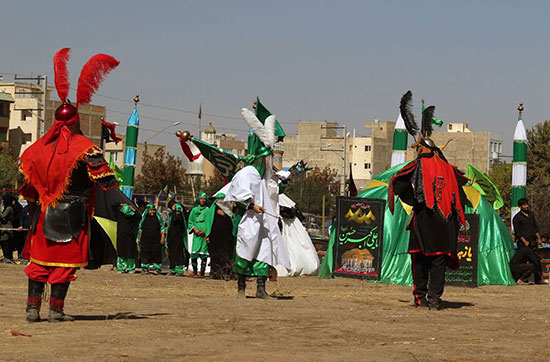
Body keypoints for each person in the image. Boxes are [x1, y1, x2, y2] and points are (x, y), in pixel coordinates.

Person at [18, 48, 119, 322]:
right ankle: (55, 310)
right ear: (75, 121)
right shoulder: (86, 149)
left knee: (39, 263)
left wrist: (41, 197)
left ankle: (32, 309)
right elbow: (107, 181)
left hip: (43, 214)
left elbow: (26, 185)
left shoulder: (36, 149)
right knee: (63, 266)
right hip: (73, 215)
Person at [388, 91, 467, 310]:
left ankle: (421, 297)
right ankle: (434, 300)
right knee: (438, 262)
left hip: (425, 220)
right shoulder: (450, 169)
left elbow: (399, 182)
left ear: (426, 150)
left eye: (419, 149)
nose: (418, 152)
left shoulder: (418, 165)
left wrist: (412, 201)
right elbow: (461, 195)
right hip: (447, 223)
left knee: (420, 260)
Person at [224, 107, 290, 298]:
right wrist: (252, 206)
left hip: (264, 223)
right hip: (250, 220)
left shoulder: (264, 176)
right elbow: (238, 196)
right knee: (246, 252)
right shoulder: (247, 174)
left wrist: (283, 181)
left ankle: (261, 290)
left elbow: (274, 191)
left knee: (265, 252)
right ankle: (241, 289)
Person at [205, 193, 236, 280]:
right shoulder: (212, 210)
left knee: (226, 255)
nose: (221, 201)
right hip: (214, 236)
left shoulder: (228, 210)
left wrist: (225, 215)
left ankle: (226, 273)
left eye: (222, 198)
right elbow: (209, 222)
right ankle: (215, 273)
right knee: (214, 255)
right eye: (219, 199)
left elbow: (232, 220)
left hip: (226, 237)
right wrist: (207, 234)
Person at [137, 203, 165, 274]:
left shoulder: (158, 218)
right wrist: (139, 238)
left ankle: (157, 268)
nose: (152, 212)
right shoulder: (143, 218)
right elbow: (140, 229)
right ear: (147, 210)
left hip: (156, 239)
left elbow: (162, 228)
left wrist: (162, 238)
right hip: (145, 239)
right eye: (150, 210)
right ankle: (145, 268)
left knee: (156, 254)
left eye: (153, 210)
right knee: (145, 253)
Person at [187, 193, 210, 277]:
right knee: (194, 253)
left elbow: (209, 222)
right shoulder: (194, 210)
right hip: (196, 235)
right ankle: (195, 272)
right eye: (201, 198)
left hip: (204, 235)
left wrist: (206, 231)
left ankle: (202, 272)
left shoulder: (208, 210)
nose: (203, 200)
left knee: (204, 255)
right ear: (198, 199)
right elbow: (190, 221)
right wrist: (194, 228)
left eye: (204, 199)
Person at [115, 203, 140, 273]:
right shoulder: (133, 216)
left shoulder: (119, 214)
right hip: (130, 236)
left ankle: (121, 268)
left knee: (121, 252)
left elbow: (114, 206)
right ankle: (130, 268)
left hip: (121, 236)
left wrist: (121, 204)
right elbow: (139, 216)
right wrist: (133, 209)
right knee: (130, 252)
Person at [165, 203, 187, 276]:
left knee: (179, 254)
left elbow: (177, 219)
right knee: (171, 254)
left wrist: (175, 210)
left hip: (179, 239)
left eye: (179, 211)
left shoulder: (180, 219)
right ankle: (172, 269)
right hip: (171, 239)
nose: (177, 213)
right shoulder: (171, 217)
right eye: (176, 211)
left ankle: (179, 270)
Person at [0, 194, 16, 262]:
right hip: (5, 227)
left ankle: (7, 257)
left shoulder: (9, 208)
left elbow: (3, 216)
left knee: (5, 243)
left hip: (6, 228)